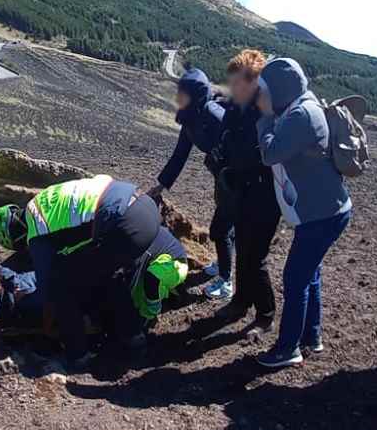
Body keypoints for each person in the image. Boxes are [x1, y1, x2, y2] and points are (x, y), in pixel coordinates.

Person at [0, 174, 170, 366]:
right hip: (144, 205)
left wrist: (34, 312)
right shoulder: (42, 202)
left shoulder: (36, 232)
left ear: (17, 238)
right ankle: (134, 337)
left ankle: (79, 356)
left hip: (126, 224)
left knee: (62, 288)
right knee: (100, 273)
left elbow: (47, 292)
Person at [252, 57, 354, 369]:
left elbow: (270, 154)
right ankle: (311, 336)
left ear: (280, 89)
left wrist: (265, 119)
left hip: (321, 215)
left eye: (265, 90)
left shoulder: (300, 115)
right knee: (309, 274)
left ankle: (288, 348)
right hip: (326, 210)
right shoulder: (303, 105)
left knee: (295, 278)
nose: (261, 96)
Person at [146, 67, 234, 300]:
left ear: (195, 95)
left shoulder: (213, 114)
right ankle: (225, 264)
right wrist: (162, 185)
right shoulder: (190, 120)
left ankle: (226, 281)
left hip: (237, 179)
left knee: (219, 230)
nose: (177, 98)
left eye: (182, 94)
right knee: (226, 228)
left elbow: (239, 143)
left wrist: (224, 162)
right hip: (223, 178)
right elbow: (179, 155)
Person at [213, 49, 281, 331]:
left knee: (256, 256)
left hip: (264, 194)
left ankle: (265, 314)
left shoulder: (268, 111)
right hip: (242, 190)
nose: (233, 87)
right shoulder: (236, 108)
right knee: (244, 248)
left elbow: (263, 152)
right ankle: (241, 302)